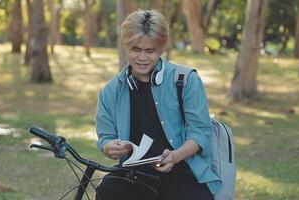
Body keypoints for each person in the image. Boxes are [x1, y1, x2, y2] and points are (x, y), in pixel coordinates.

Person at [95, 9, 221, 200]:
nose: (142, 58)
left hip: (183, 170)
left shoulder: (187, 80)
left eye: (150, 51)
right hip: (133, 175)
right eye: (136, 49)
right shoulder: (110, 91)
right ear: (125, 46)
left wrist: (175, 156)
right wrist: (108, 147)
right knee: (106, 190)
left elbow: (200, 132)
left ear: (161, 48)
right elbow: (105, 137)